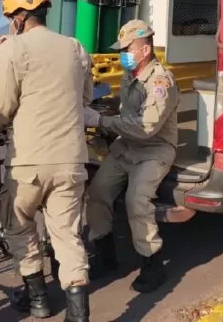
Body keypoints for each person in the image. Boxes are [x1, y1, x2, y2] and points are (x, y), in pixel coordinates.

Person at [0, 0, 91, 322]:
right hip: (71, 161)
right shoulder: (75, 47)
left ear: (18, 17)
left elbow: (1, 108)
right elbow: (85, 99)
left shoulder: (12, 50)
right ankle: (78, 316)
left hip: (29, 163)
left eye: (9, 17)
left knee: (18, 224)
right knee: (67, 235)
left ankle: (39, 300)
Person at [83, 19, 179, 293]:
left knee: (137, 200)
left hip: (154, 150)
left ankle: (152, 264)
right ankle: (105, 255)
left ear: (145, 50)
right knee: (98, 193)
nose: (122, 54)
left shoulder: (160, 81)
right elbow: (127, 113)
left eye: (127, 48)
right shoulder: (131, 75)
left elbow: (146, 127)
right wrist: (104, 111)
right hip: (126, 146)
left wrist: (100, 122)